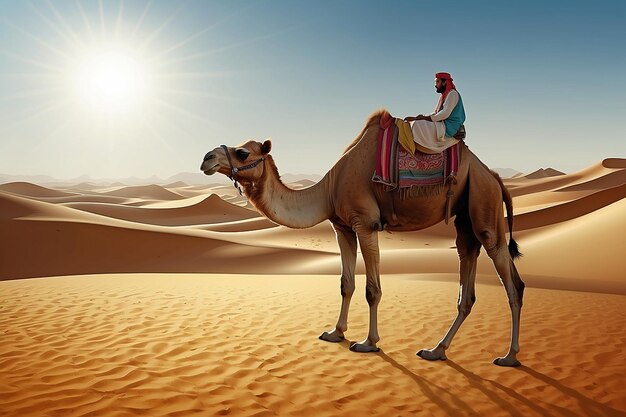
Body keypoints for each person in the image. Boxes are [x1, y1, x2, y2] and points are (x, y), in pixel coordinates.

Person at [404, 72, 466, 153]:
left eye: (437, 82)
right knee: (417, 122)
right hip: (443, 123)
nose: (435, 85)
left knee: (417, 125)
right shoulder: (444, 96)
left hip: (449, 127)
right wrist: (420, 117)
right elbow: (436, 113)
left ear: (444, 83)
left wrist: (422, 118)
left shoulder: (453, 94)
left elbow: (444, 114)